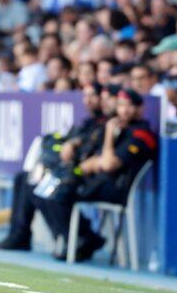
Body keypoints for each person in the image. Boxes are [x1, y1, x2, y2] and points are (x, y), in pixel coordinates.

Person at [37, 89, 156, 261]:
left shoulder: (141, 134)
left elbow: (107, 164)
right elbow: (94, 158)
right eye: (121, 105)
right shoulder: (120, 128)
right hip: (98, 181)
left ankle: (84, 239)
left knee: (58, 192)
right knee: (46, 189)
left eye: (130, 106)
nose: (124, 110)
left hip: (116, 188)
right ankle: (79, 238)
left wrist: (108, 134)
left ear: (140, 109)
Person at [0, 83, 106, 251]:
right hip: (71, 171)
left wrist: (75, 147)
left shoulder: (106, 125)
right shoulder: (87, 123)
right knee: (24, 178)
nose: (88, 100)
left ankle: (80, 235)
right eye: (85, 96)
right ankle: (20, 234)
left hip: (86, 176)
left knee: (42, 186)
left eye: (92, 96)